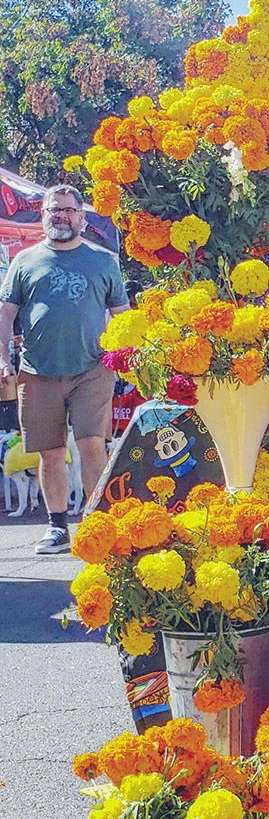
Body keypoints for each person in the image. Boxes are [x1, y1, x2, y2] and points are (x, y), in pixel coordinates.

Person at [0, 185, 128, 554]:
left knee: (92, 444)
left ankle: (97, 523)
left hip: (92, 369)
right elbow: (5, 313)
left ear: (81, 218)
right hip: (37, 371)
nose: (61, 216)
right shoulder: (25, 261)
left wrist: (127, 358)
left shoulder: (103, 261)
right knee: (51, 451)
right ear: (44, 215)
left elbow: (122, 315)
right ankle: (57, 527)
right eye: (54, 210)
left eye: (69, 210)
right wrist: (4, 358)